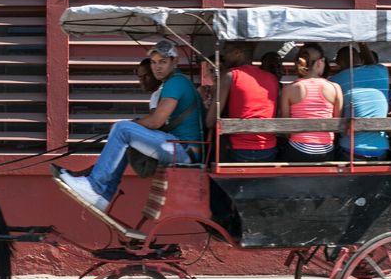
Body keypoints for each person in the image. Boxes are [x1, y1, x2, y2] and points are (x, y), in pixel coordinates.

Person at [53, 40, 204, 211]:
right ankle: (102, 194)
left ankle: (97, 188)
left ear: (174, 62)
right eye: (154, 63)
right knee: (125, 131)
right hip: (180, 147)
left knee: (122, 129)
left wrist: (131, 125)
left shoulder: (175, 83)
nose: (157, 67)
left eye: (163, 62)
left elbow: (156, 121)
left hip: (183, 150)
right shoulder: (175, 82)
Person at [207, 41, 279, 162]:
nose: (224, 56)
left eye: (226, 51)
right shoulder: (272, 78)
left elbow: (209, 121)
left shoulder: (230, 75)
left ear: (237, 53)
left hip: (239, 151)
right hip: (269, 151)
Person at [279, 43, 343, 162]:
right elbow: (336, 124)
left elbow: (286, 127)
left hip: (297, 148)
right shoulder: (335, 88)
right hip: (325, 149)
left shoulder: (289, 89)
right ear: (320, 62)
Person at [330, 43, 389, 160]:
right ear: (360, 59)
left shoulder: (335, 81)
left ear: (340, 63)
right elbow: (372, 63)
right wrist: (362, 43)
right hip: (382, 149)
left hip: (351, 149)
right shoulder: (382, 71)